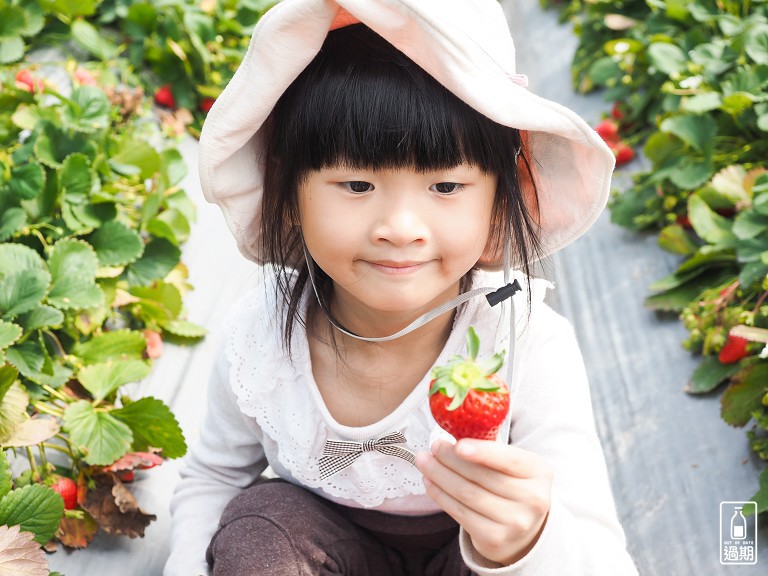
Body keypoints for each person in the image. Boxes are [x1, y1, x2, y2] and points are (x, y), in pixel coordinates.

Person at [165, 1, 639, 574]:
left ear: (499, 201)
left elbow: (601, 555)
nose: (400, 229)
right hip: (324, 549)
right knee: (261, 524)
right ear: (288, 193)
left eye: (445, 186)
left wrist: (525, 537)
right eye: (357, 183)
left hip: (472, 554)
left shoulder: (527, 341)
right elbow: (213, 478)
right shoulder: (263, 336)